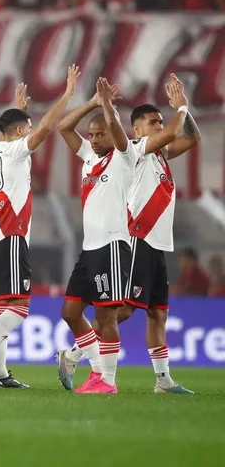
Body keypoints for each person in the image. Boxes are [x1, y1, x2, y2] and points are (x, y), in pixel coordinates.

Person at [58, 74, 198, 394]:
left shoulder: (152, 154)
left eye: (160, 120)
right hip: (132, 238)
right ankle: (80, 356)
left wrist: (184, 111)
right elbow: (68, 128)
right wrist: (180, 107)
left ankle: (158, 380)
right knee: (120, 309)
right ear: (135, 129)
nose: (159, 125)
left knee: (154, 313)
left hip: (152, 242)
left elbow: (190, 137)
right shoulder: (132, 150)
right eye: (153, 122)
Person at [0, 66, 80, 389]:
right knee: (20, 307)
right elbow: (45, 129)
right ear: (18, 132)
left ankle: (0, 372)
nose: (30, 134)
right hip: (10, 237)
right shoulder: (15, 151)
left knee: (2, 308)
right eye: (25, 129)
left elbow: (11, 132)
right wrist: (67, 95)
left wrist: (18, 112)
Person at [54, 77, 139, 394]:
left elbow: (116, 129)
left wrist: (107, 107)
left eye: (99, 134)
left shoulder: (123, 157)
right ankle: (95, 371)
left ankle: (107, 380)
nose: (93, 139)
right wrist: (91, 102)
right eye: (91, 135)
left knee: (106, 316)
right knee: (70, 312)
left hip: (112, 245)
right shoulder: (89, 156)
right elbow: (64, 128)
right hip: (90, 248)